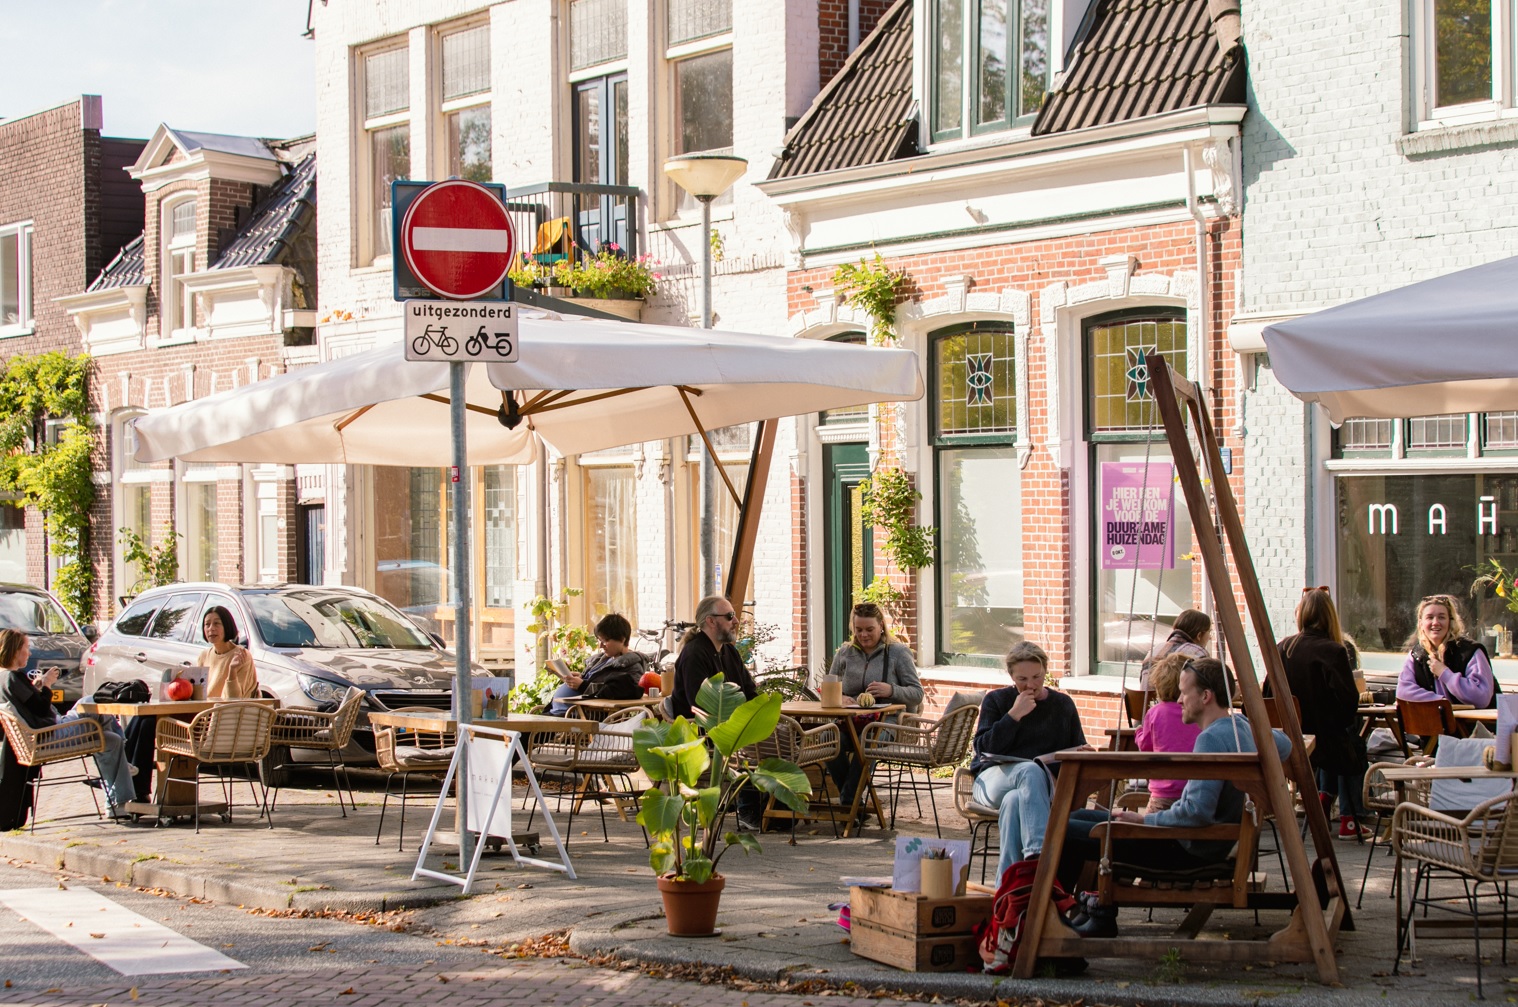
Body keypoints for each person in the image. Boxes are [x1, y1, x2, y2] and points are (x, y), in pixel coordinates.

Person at [1055, 659, 1292, 935]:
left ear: (1205, 696)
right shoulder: (1239, 725)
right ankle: (1091, 911)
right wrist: (1256, 729)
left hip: (1186, 849)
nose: (1179, 699)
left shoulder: (1211, 740)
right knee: (1079, 817)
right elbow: (1285, 745)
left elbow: (1196, 813)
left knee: (1065, 829)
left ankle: (1056, 917)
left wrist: (1144, 821)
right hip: (1207, 842)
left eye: (1183, 692)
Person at [970, 641, 1088, 881]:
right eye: (1022, 679)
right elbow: (983, 748)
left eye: (1037, 677)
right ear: (1011, 675)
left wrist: (1084, 752)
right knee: (1028, 770)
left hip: (1038, 790)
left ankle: (1008, 889)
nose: (1031, 685)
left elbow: (1075, 750)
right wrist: (1014, 715)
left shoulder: (1062, 705)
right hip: (993, 779)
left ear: (1045, 670)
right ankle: (1039, 855)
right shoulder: (997, 701)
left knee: (1015, 801)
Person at [0, 629, 136, 820]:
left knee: (110, 741)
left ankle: (117, 803)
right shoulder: (13, 677)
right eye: (26, 648)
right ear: (15, 651)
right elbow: (39, 708)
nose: (29, 653)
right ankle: (126, 753)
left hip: (47, 732)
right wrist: (46, 685)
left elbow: (29, 705)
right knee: (93, 702)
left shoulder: (3, 678)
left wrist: (36, 688)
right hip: (51, 735)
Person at [1272, 587, 1369, 840]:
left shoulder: (1282, 648)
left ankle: (1325, 797)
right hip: (1325, 743)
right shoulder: (1334, 651)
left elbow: (1267, 694)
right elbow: (1348, 703)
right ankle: (1348, 817)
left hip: (1288, 741)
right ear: (1330, 617)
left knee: (1339, 738)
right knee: (1353, 743)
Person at [670, 595, 763, 829]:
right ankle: (749, 808)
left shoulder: (728, 652)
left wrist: (765, 710)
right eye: (730, 616)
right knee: (761, 742)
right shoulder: (694, 654)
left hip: (730, 725)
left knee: (782, 734)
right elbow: (699, 705)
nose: (736, 621)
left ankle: (774, 808)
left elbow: (750, 690)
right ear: (711, 622)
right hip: (702, 731)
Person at [824, 602, 924, 805]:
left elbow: (917, 693)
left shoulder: (897, 653)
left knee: (867, 738)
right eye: (859, 630)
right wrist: (839, 697)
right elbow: (828, 688)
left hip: (888, 722)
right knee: (828, 739)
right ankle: (853, 803)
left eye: (870, 629)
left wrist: (891, 690)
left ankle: (848, 801)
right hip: (849, 721)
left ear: (881, 626)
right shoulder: (845, 653)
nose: (864, 635)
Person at [1397, 594, 1497, 709]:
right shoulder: (1416, 654)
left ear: (1451, 621)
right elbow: (1403, 692)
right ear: (1421, 623)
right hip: (1432, 724)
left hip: (1472, 725)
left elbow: (1482, 698)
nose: (1435, 622)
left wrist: (1446, 674)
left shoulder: (1470, 652)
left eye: (1441, 617)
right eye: (1429, 617)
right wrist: (1440, 702)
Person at [1134, 653, 1201, 814]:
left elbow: (1146, 746)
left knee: (1150, 831)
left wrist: (1138, 732)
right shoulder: (1197, 712)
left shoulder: (1156, 712)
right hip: (1194, 789)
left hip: (1163, 791)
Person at [546, 613, 649, 715]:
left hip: (579, 716)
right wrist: (581, 677)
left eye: (605, 641)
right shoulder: (602, 659)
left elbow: (624, 691)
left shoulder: (632, 667)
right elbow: (593, 681)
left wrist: (582, 685)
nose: (600, 646)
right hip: (559, 711)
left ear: (622, 639)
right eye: (599, 640)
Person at [1139, 609, 1211, 689]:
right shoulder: (1198, 653)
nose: (1210, 637)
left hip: (1146, 701)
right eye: (1209, 632)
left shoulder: (1155, 649)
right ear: (1199, 635)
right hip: (1178, 701)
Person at [199, 606, 257, 699]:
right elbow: (198, 696)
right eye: (207, 624)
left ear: (227, 626)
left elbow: (234, 700)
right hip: (205, 712)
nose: (211, 628)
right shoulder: (204, 656)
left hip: (228, 712)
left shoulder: (242, 655)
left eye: (217, 623)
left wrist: (232, 671)